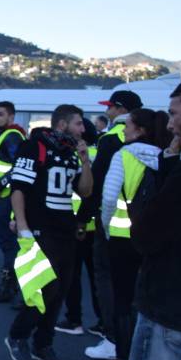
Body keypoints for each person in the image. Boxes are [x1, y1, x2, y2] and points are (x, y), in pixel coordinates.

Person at [107, 81, 181, 360]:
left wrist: (168, 167)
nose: (169, 121)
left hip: (171, 311)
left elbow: (148, 230)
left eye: (174, 112)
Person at [5, 104, 93, 360]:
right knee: (44, 287)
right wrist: (22, 225)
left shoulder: (70, 153)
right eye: (78, 123)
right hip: (40, 228)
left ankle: (43, 343)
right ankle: (17, 336)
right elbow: (18, 188)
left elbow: (86, 191)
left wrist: (85, 160)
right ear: (63, 124)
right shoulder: (35, 146)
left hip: (64, 229)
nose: (83, 129)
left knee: (61, 291)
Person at [99, 108, 172, 360]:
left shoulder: (123, 155)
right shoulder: (166, 156)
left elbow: (108, 198)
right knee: (148, 300)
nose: (124, 129)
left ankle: (123, 359)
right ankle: (151, 359)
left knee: (123, 300)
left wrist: (107, 228)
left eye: (127, 124)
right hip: (154, 239)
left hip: (122, 237)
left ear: (139, 129)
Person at [79, 90, 143, 360]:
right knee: (134, 285)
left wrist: (85, 218)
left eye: (112, 108)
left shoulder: (113, 139)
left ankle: (112, 336)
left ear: (120, 110)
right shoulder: (153, 135)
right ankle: (131, 336)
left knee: (108, 279)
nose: (109, 113)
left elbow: (100, 186)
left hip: (114, 226)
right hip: (143, 226)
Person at [57, 121, 102, 337]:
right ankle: (102, 321)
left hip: (74, 223)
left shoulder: (73, 155)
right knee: (95, 277)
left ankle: (74, 319)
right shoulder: (98, 153)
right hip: (92, 224)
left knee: (72, 276)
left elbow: (86, 192)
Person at [0, 101, 29, 303]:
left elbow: (18, 166)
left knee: (9, 245)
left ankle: (8, 287)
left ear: (11, 117)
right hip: (1, 199)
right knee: (7, 245)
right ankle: (8, 282)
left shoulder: (12, 136)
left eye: (0, 114)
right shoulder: (6, 135)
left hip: (5, 200)